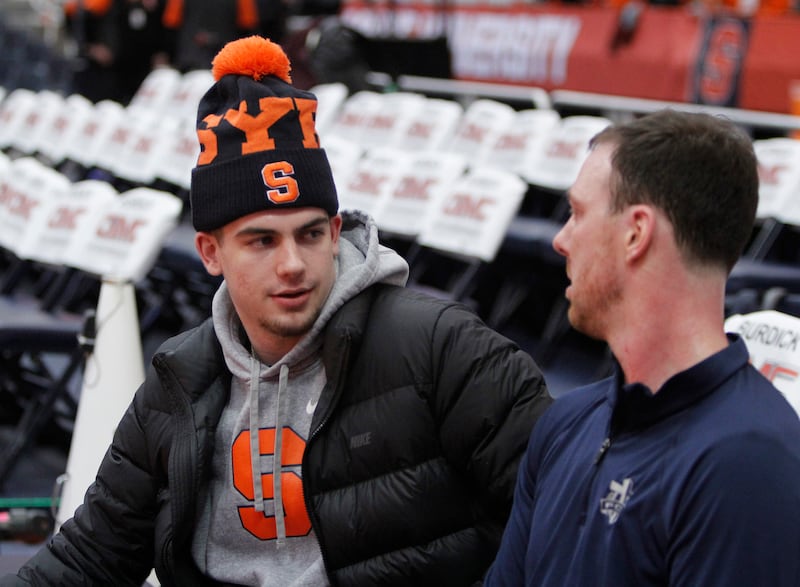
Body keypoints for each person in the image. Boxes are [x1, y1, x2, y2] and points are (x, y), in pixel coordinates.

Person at [2, 36, 552, 586]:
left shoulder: (444, 350)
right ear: (210, 252)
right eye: (261, 241)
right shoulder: (179, 381)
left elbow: (563, 515)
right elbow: (90, 554)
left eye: (310, 234)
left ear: (337, 231)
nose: (293, 264)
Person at [485, 109, 800, 586]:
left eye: (578, 213)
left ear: (636, 233)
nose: (561, 239)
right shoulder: (566, 422)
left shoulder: (749, 463)